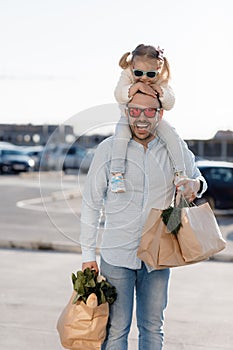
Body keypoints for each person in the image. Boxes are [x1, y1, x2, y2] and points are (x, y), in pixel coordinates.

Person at [80, 91, 207, 350]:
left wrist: (195, 184)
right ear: (126, 112)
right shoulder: (108, 150)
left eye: (149, 111)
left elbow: (200, 180)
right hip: (116, 255)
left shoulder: (175, 149)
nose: (141, 118)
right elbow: (91, 203)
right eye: (134, 110)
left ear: (160, 114)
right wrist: (87, 254)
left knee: (152, 328)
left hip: (158, 255)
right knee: (116, 330)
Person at [111, 43, 184, 193]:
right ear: (132, 66)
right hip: (129, 117)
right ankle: (117, 174)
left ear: (157, 70)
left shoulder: (161, 79)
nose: (144, 78)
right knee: (121, 135)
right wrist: (134, 88)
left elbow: (170, 103)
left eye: (150, 74)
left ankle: (180, 174)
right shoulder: (127, 74)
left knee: (172, 135)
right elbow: (118, 94)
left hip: (153, 120)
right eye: (139, 73)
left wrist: (162, 92)